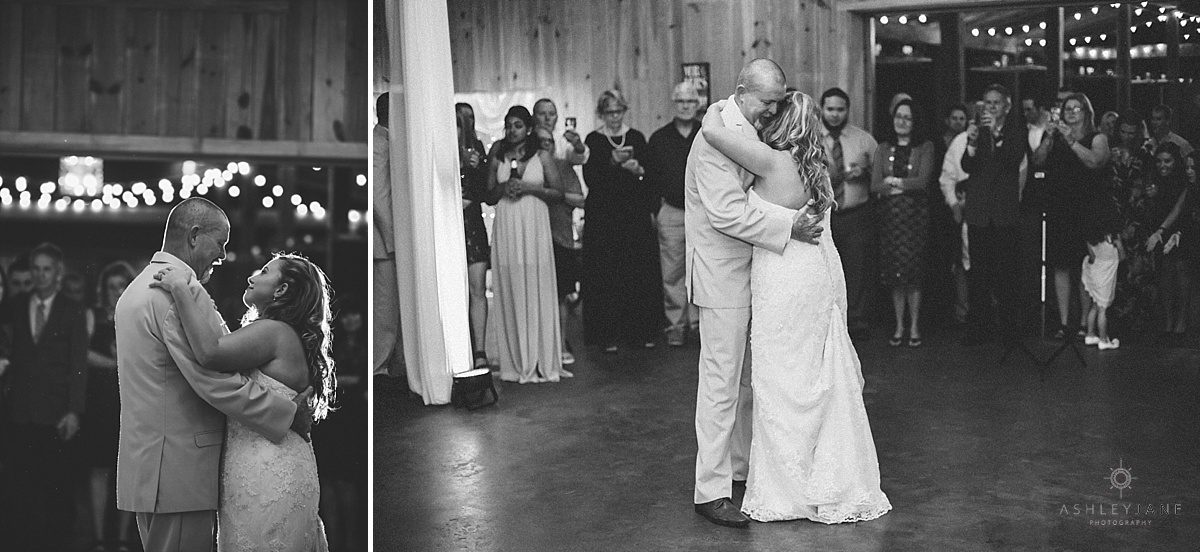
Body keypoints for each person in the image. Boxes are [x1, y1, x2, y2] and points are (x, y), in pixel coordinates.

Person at [701, 87, 891, 524]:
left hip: (782, 279)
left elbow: (711, 131)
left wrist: (722, 102)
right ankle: (825, 474)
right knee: (814, 376)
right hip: (817, 277)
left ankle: (787, 487)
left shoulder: (769, 161)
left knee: (779, 380)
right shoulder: (819, 168)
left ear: (782, 122)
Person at [116, 197, 316, 552]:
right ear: (194, 236)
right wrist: (286, 413)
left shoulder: (137, 289)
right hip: (179, 471)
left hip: (151, 467)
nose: (223, 255)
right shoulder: (175, 293)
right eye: (220, 243)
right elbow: (211, 377)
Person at [684, 58, 824, 528]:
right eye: (767, 102)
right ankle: (710, 490)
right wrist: (789, 227)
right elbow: (725, 213)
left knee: (748, 380)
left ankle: (740, 469)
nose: (774, 111)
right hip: (722, 277)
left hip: (757, 273)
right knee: (720, 384)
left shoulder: (744, 128)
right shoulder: (714, 139)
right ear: (742, 92)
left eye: (779, 103)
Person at [151, 251, 333, 551]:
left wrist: (181, 289)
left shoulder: (273, 331)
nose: (252, 276)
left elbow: (210, 353)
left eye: (264, 271)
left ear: (282, 289)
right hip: (260, 466)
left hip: (268, 473)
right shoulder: (275, 332)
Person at [0, 242, 89, 552]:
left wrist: (74, 411)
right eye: (36, 269)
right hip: (20, 411)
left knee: (56, 488)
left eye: (46, 269)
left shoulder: (72, 309)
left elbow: (78, 364)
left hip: (56, 412)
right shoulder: (16, 305)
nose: (40, 275)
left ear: (58, 273)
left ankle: (55, 543)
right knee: (21, 490)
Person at [486, 105, 568, 383]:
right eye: (509, 125)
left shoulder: (541, 155)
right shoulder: (497, 152)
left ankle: (540, 357)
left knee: (535, 283)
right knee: (511, 284)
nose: (512, 130)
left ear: (529, 128)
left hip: (534, 225)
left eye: (518, 125)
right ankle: (515, 360)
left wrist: (529, 188)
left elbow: (558, 193)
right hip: (507, 224)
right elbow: (488, 195)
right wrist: (504, 187)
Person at [581, 90, 663, 352]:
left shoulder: (636, 138)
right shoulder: (593, 140)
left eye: (618, 112)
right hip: (604, 218)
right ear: (601, 114)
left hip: (633, 217)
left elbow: (650, 179)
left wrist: (638, 171)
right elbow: (591, 179)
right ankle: (607, 334)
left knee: (637, 272)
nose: (615, 118)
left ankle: (639, 331)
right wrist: (612, 162)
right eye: (609, 113)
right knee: (606, 274)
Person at [1032, 92, 1110, 339]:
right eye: (1068, 109)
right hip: (1060, 208)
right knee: (1061, 265)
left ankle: (1085, 323)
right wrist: (1049, 138)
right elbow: (1037, 162)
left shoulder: (1097, 138)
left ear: (1087, 112)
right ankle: (1065, 323)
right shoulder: (1054, 137)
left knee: (1085, 267)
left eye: (1077, 108)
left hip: (1087, 209)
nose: (1072, 113)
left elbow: (1095, 162)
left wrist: (1072, 141)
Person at [960, 84, 1026, 345]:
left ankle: (1009, 329)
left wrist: (997, 133)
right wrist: (972, 142)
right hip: (979, 212)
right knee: (979, 274)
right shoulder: (979, 131)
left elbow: (1012, 160)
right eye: (987, 102)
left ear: (1006, 107)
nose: (990, 107)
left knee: (1006, 274)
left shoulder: (1016, 132)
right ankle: (980, 327)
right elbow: (967, 165)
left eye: (996, 103)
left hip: (1003, 214)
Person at [82, 261, 138, 552]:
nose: (117, 291)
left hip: (132, 403)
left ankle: (124, 539)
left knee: (129, 472)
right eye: (111, 286)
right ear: (103, 290)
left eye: (121, 285)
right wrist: (115, 363)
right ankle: (100, 539)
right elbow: (81, 354)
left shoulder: (138, 316)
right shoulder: (93, 316)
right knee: (100, 469)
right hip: (100, 402)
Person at [871, 99, 934, 347]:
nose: (902, 122)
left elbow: (923, 182)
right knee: (895, 274)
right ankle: (899, 325)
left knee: (913, 274)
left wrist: (894, 182)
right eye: (898, 116)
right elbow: (875, 185)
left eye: (907, 117)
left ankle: (915, 325)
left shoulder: (925, 147)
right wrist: (904, 186)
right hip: (890, 220)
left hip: (915, 219)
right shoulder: (883, 147)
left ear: (915, 121)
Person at [645, 81, 702, 347]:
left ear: (698, 104)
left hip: (704, 213)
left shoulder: (708, 133)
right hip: (671, 211)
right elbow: (650, 180)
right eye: (681, 101)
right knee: (672, 272)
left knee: (702, 270)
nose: (686, 106)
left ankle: (699, 324)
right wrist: (655, 210)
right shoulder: (659, 138)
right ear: (673, 103)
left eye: (690, 101)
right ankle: (676, 325)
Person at [819, 87, 878, 339]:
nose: (834, 114)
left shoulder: (864, 140)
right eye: (830, 109)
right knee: (824, 269)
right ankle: (827, 323)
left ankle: (856, 321)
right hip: (823, 214)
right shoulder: (811, 137)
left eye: (840, 109)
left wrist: (865, 173)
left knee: (856, 268)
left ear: (848, 110)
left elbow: (880, 173)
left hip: (855, 214)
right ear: (822, 109)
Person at [535, 126, 586, 365]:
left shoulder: (563, 167)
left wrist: (557, 194)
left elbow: (581, 199)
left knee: (561, 294)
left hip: (561, 237)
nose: (546, 145)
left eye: (549, 141)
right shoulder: (529, 168)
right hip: (535, 237)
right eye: (540, 141)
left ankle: (562, 342)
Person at [1144, 144, 1195, 343]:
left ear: (1176, 162)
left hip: (1182, 228)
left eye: (1167, 161)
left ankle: (1181, 323)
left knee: (1181, 272)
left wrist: (1163, 230)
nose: (1162, 165)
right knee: (1165, 273)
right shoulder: (1154, 180)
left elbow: (1180, 209)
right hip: (1161, 229)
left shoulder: (1184, 180)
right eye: (1159, 161)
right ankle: (1167, 323)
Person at [457, 102, 492, 369]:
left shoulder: (477, 150)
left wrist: (478, 167)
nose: (465, 124)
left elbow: (486, 192)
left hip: (472, 224)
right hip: (450, 226)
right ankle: (461, 348)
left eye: (469, 118)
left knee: (477, 288)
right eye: (459, 120)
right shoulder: (441, 149)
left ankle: (480, 350)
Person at [374, 92, 403, 376]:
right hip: (383, 243)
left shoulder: (389, 141)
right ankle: (378, 371)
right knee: (385, 311)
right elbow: (378, 196)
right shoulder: (378, 143)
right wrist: (394, 240)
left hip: (387, 242)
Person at [1081, 207, 1126, 350]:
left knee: (1095, 305)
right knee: (1103, 310)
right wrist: (1118, 247)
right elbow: (1122, 257)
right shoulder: (1114, 239)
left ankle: (1090, 334)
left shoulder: (1091, 240)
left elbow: (1092, 257)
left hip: (1095, 275)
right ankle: (1103, 339)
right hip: (1106, 278)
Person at [533, 98, 590, 165]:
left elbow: (579, 159)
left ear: (557, 117)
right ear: (533, 117)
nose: (547, 118)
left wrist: (578, 146)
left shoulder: (563, 139)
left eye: (552, 114)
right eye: (542, 114)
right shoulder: (526, 139)